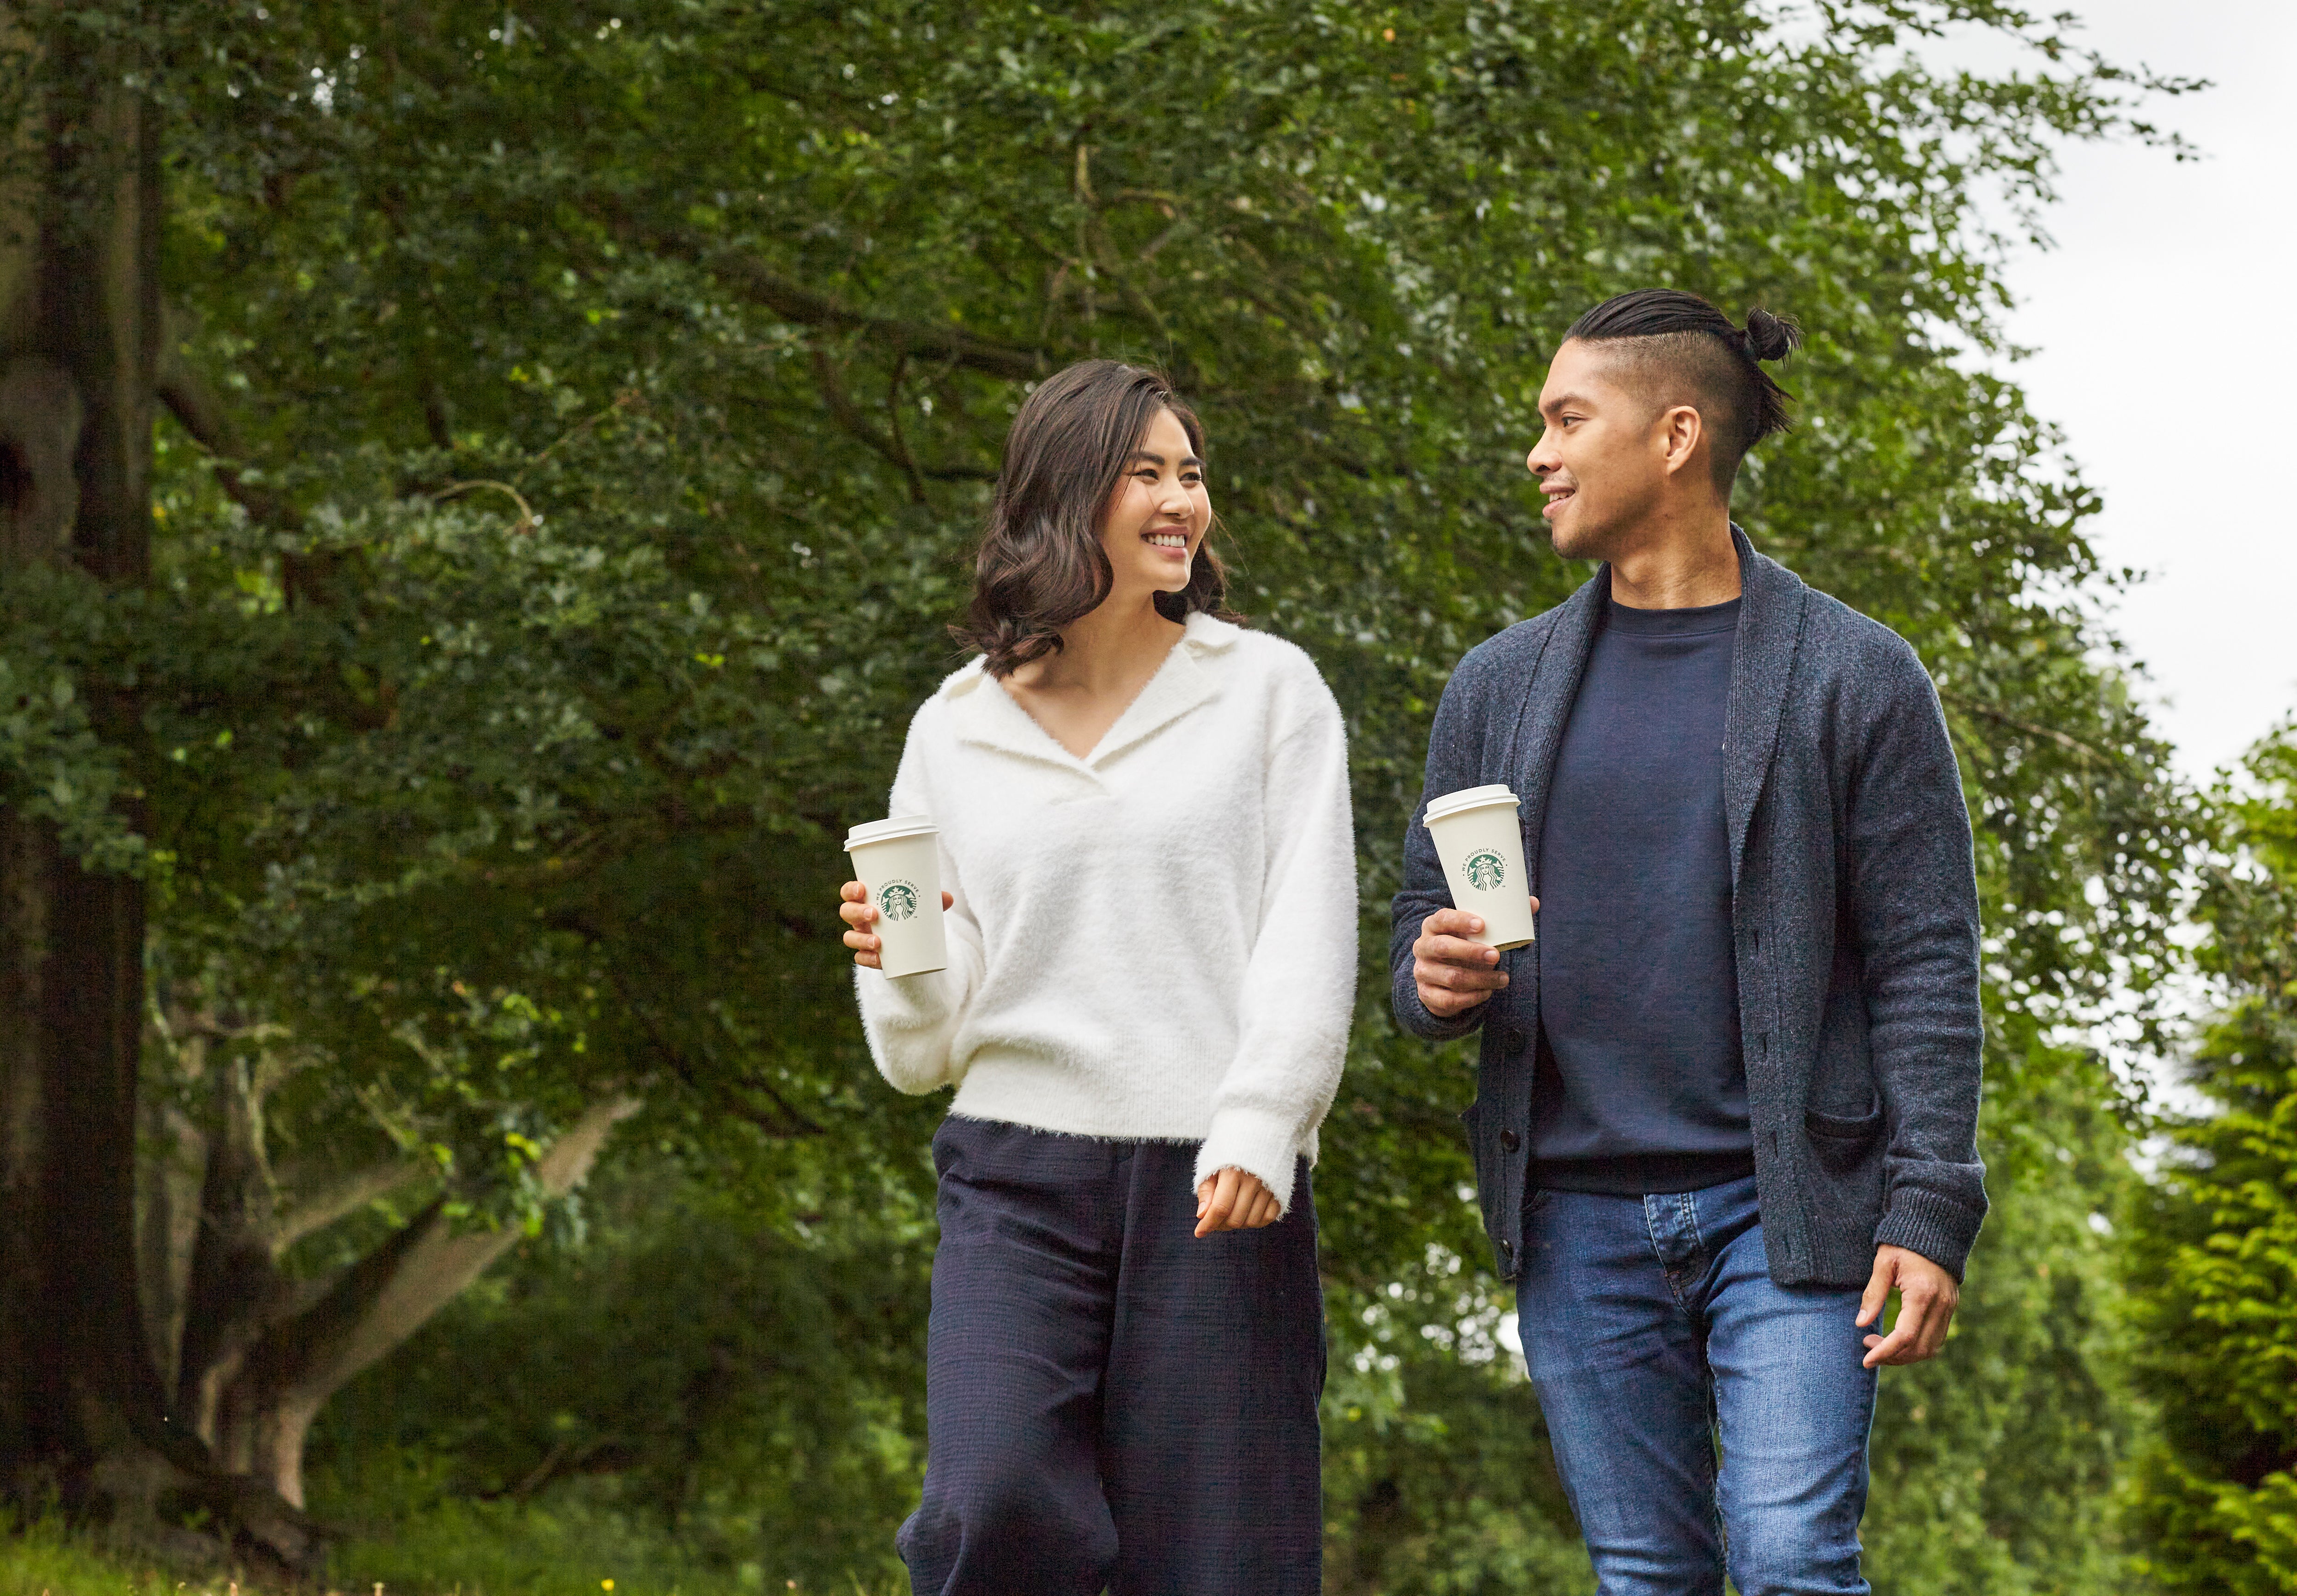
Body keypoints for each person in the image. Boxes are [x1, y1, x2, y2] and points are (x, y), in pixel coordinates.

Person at [1390, 290, 1985, 1594]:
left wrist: (1932, 1205)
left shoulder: (1857, 674)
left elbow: (1928, 960)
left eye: (1565, 419)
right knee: (1645, 1577)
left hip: (1789, 1218)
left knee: (1789, 1561)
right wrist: (1432, 981)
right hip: (1572, 1221)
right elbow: (1413, 935)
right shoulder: (1494, 687)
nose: (1538, 453)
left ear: (1671, 437)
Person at [837, 359, 1356, 1596]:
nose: (1183, 500)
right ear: (1069, 494)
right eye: (1148, 474)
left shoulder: (1269, 694)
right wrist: (898, 963)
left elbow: (1307, 928)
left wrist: (1261, 1120)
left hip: (1217, 1184)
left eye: (1193, 475)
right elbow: (920, 1048)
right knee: (987, 1502)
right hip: (1014, 1174)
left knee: (1221, 1563)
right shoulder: (953, 728)